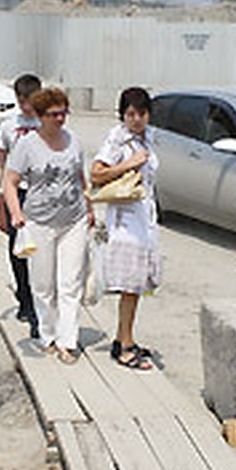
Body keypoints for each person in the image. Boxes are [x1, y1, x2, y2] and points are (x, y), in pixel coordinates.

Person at [4, 87, 92, 364]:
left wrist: (89, 207)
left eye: (63, 112)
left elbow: (80, 177)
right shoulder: (27, 145)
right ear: (41, 116)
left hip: (73, 220)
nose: (60, 119)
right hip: (39, 222)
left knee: (71, 282)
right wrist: (15, 213)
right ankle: (48, 334)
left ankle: (68, 340)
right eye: (54, 114)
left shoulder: (74, 141)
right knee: (43, 284)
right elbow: (10, 182)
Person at [90, 86, 161, 371]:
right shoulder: (118, 139)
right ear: (122, 115)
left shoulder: (149, 138)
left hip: (146, 219)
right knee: (130, 285)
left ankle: (124, 338)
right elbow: (96, 174)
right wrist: (128, 164)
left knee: (138, 284)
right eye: (130, 114)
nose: (136, 119)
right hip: (125, 223)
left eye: (142, 113)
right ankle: (125, 346)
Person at [0, 72, 42, 337]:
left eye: (30, 100)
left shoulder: (49, 123)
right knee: (17, 251)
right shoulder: (9, 126)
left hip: (43, 197)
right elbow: (0, 163)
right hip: (16, 195)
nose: (26, 106)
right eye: (21, 100)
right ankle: (24, 298)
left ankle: (36, 311)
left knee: (40, 254)